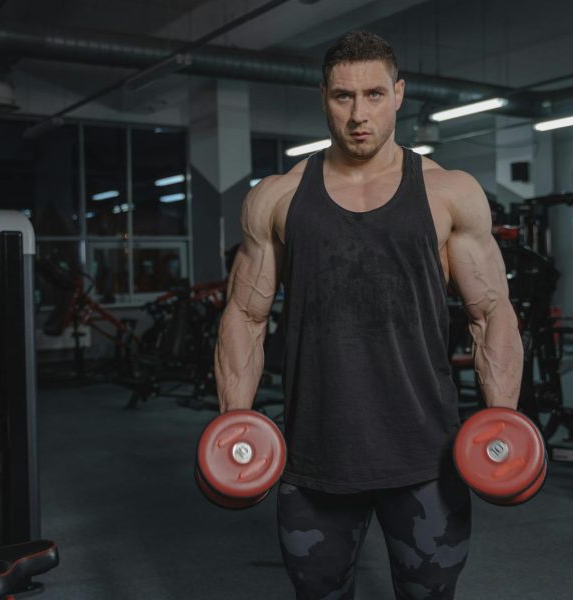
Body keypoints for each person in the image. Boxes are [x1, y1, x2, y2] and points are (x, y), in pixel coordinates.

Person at [214, 30, 523, 600]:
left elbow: (491, 312)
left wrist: (502, 422)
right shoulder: (278, 197)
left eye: (374, 95)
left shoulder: (448, 192)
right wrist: (236, 425)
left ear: (399, 94)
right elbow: (245, 315)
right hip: (314, 459)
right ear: (324, 98)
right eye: (343, 97)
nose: (360, 114)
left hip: (427, 456)